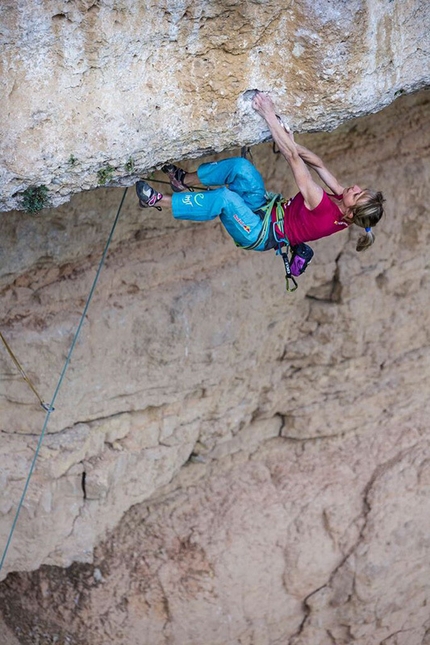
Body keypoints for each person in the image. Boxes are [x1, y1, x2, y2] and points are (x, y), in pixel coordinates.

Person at [135, 91, 384, 254]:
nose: (354, 188)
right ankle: (182, 180)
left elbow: (293, 159)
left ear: (351, 212)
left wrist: (268, 114)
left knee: (226, 198)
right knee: (241, 169)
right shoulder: (343, 204)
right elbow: (317, 164)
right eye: (360, 190)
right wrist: (290, 140)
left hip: (257, 233)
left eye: (357, 195)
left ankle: (158, 200)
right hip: (266, 210)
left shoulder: (322, 207)